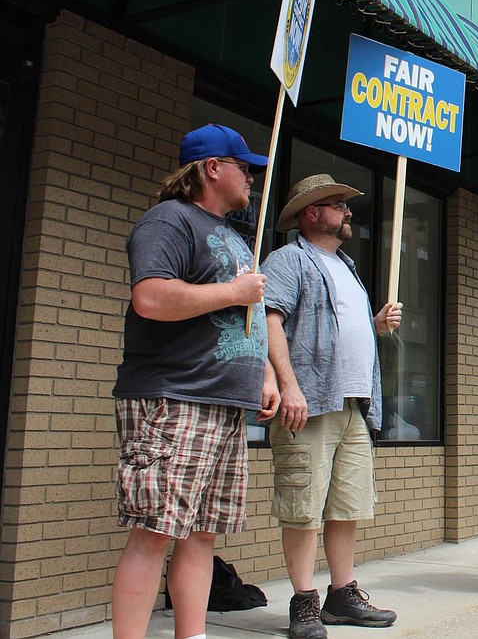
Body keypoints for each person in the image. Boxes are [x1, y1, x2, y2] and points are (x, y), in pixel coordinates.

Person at [111, 123, 279, 639]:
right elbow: (152, 297)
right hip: (175, 398)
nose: (250, 176)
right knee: (154, 532)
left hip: (225, 403)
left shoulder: (230, 234)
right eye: (242, 166)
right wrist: (232, 291)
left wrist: (267, 372)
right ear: (211, 168)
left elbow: (246, 317)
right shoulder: (169, 220)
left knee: (203, 535)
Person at [261, 174, 403, 638]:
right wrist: (289, 385)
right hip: (310, 403)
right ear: (311, 213)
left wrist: (375, 323)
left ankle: (342, 595)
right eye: (337, 205)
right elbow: (269, 321)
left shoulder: (347, 266)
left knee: (347, 505)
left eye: (345, 204)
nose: (347, 212)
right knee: (303, 505)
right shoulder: (287, 259)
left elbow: (343, 326)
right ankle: (304, 602)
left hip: (355, 404)